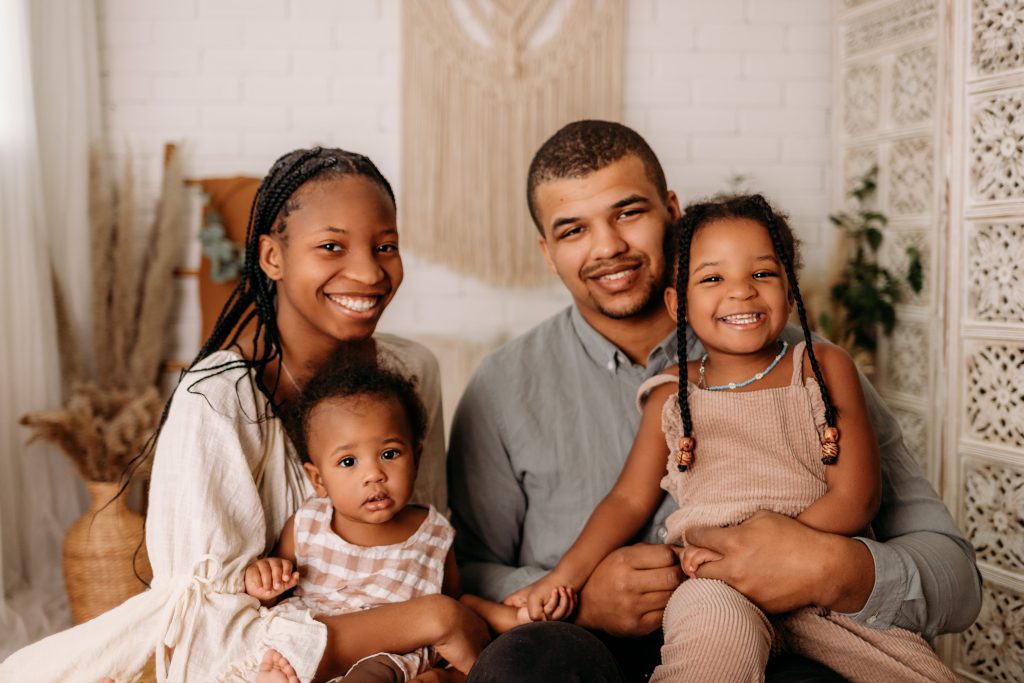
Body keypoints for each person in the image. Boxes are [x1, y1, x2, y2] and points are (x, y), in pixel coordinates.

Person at [448, 120, 982, 682]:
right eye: (573, 229)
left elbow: (958, 582)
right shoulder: (503, 386)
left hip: (784, 637)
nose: (608, 247)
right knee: (527, 664)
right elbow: (467, 568)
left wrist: (828, 565)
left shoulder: (814, 371)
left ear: (671, 211)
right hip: (585, 650)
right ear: (548, 252)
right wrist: (581, 598)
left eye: (628, 212)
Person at [1, 147, 488, 682]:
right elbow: (207, 634)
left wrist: (437, 643)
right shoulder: (216, 399)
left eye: (386, 246)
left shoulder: (413, 371)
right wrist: (431, 619)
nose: (370, 272)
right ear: (271, 257)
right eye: (331, 246)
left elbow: (424, 543)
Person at [246, 358, 575, 683]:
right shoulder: (308, 524)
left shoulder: (432, 533)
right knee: (284, 651)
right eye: (348, 461)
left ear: (416, 458)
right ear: (318, 479)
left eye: (389, 454)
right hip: (319, 642)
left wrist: (512, 616)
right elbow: (280, 589)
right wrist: (265, 583)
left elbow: (455, 600)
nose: (374, 474)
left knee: (374, 674)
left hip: (388, 657)